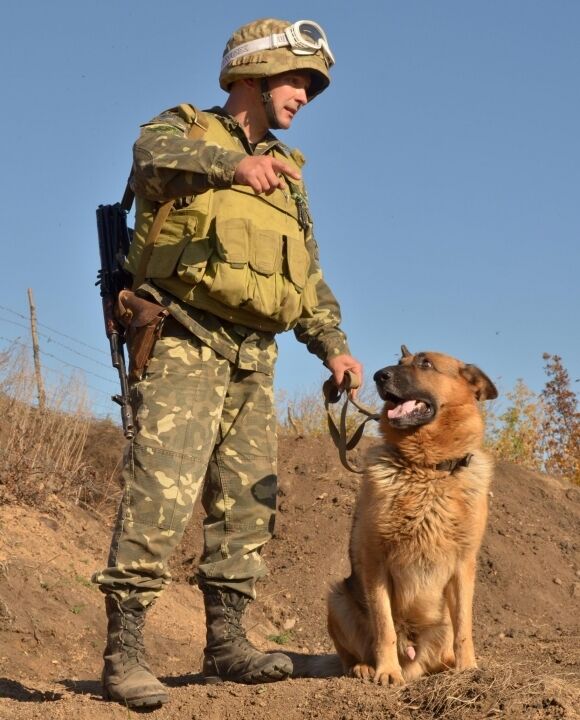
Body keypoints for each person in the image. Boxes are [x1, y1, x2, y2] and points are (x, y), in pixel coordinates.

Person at [92, 17, 363, 709]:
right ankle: (124, 652)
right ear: (255, 71)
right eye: (297, 79)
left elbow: (304, 274)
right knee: (161, 493)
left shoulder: (291, 177)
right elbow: (146, 162)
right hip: (183, 336)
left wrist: (333, 347)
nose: (305, 95)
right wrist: (230, 165)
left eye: (311, 85)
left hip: (255, 355)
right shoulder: (185, 130)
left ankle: (226, 644)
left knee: (248, 505)